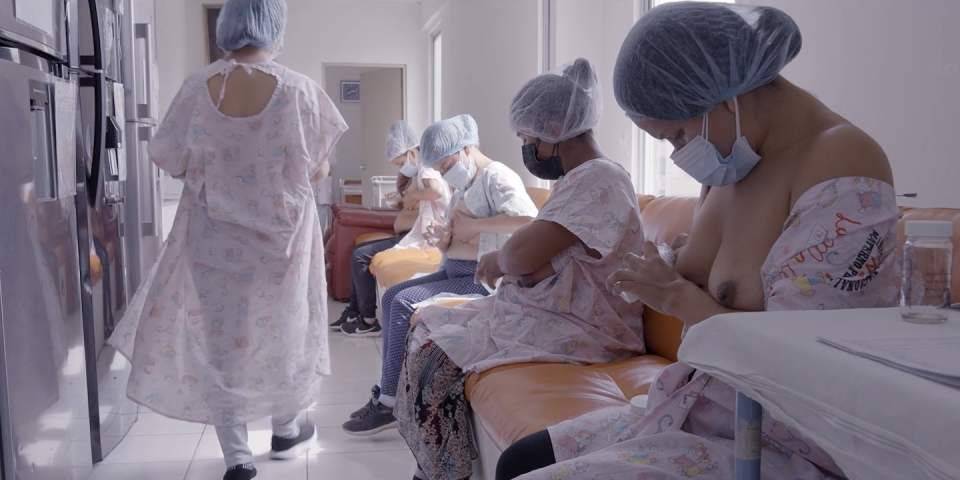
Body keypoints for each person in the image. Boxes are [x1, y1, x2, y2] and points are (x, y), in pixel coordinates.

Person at [499, 4, 900, 480]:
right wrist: (660, 272)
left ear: (724, 98)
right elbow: (702, 271)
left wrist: (675, 295)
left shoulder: (840, 159)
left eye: (679, 134)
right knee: (518, 462)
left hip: (779, 440)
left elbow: (808, 366)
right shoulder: (735, 159)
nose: (680, 153)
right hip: (694, 403)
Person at [108, 1, 348, 479]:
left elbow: (171, 158)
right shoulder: (302, 91)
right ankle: (285, 429)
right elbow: (317, 167)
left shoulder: (197, 88)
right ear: (275, 30)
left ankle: (238, 459)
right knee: (287, 331)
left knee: (224, 345)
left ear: (227, 30)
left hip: (214, 245)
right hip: (282, 246)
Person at [393, 58, 648, 480]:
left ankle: (441, 473)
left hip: (586, 328)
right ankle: (440, 466)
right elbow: (545, 256)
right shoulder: (580, 180)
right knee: (428, 323)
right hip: (557, 313)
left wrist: (500, 260)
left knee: (433, 353)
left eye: (526, 136)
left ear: (553, 131)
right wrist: (517, 264)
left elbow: (519, 256)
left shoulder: (599, 177)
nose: (526, 145)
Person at [342, 113, 539, 437]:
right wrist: (442, 236)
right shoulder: (466, 187)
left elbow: (527, 220)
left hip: (480, 281)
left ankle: (390, 403)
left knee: (405, 302)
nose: (446, 175)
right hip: (454, 270)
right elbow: (455, 232)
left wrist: (474, 226)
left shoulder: (496, 175)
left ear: (465, 149)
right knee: (392, 295)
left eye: (446, 167)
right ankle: (389, 392)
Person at [333, 120, 451, 336]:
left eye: (399, 163)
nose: (400, 168)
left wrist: (411, 196)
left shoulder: (426, 168)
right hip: (411, 233)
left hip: (422, 238)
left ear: (412, 153)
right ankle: (355, 312)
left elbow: (436, 192)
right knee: (357, 252)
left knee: (360, 255)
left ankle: (368, 321)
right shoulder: (419, 172)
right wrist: (402, 199)